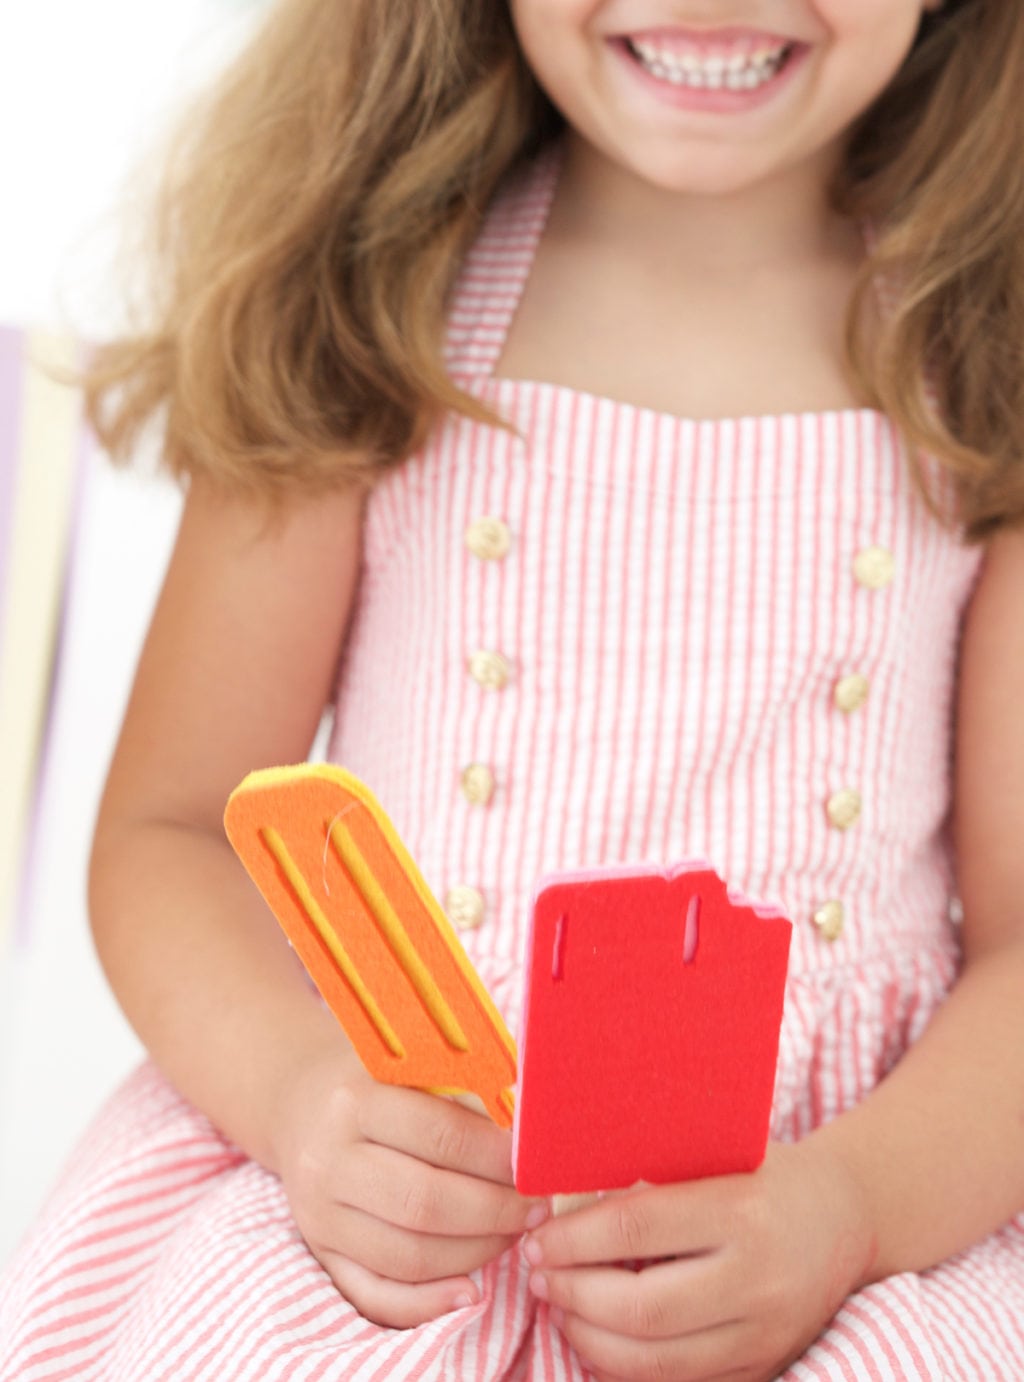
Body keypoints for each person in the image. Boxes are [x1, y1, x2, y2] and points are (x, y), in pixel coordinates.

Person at [3, 0, 1024, 1377]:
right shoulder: (366, 303)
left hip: (850, 1215)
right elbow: (171, 828)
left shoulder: (986, 363)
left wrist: (849, 1208)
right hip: (390, 1204)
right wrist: (305, 1100)